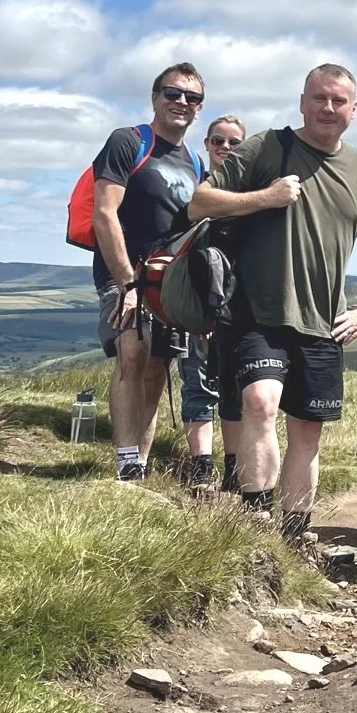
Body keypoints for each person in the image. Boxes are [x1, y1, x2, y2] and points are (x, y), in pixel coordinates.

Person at [188, 64, 357, 536]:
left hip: (323, 323)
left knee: (308, 433)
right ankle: (254, 522)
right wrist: (265, 196)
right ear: (302, 101)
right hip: (257, 313)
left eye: (338, 101)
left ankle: (293, 532)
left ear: (354, 110)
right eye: (319, 98)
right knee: (260, 404)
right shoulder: (266, 147)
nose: (328, 108)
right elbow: (200, 202)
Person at [88, 62, 207, 482]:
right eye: (172, 93)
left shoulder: (196, 161)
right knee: (132, 354)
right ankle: (125, 464)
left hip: (170, 283)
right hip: (125, 274)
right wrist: (127, 284)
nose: (181, 103)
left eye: (192, 98)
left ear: (199, 109)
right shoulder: (128, 142)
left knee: (157, 370)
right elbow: (104, 214)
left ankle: (140, 460)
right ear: (155, 97)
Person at [178, 112, 247, 494]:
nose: (225, 148)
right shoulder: (194, 190)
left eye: (234, 142)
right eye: (217, 140)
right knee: (197, 381)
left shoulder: (253, 193)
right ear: (206, 144)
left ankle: (234, 469)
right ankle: (202, 465)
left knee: (237, 388)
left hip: (242, 308)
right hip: (197, 307)